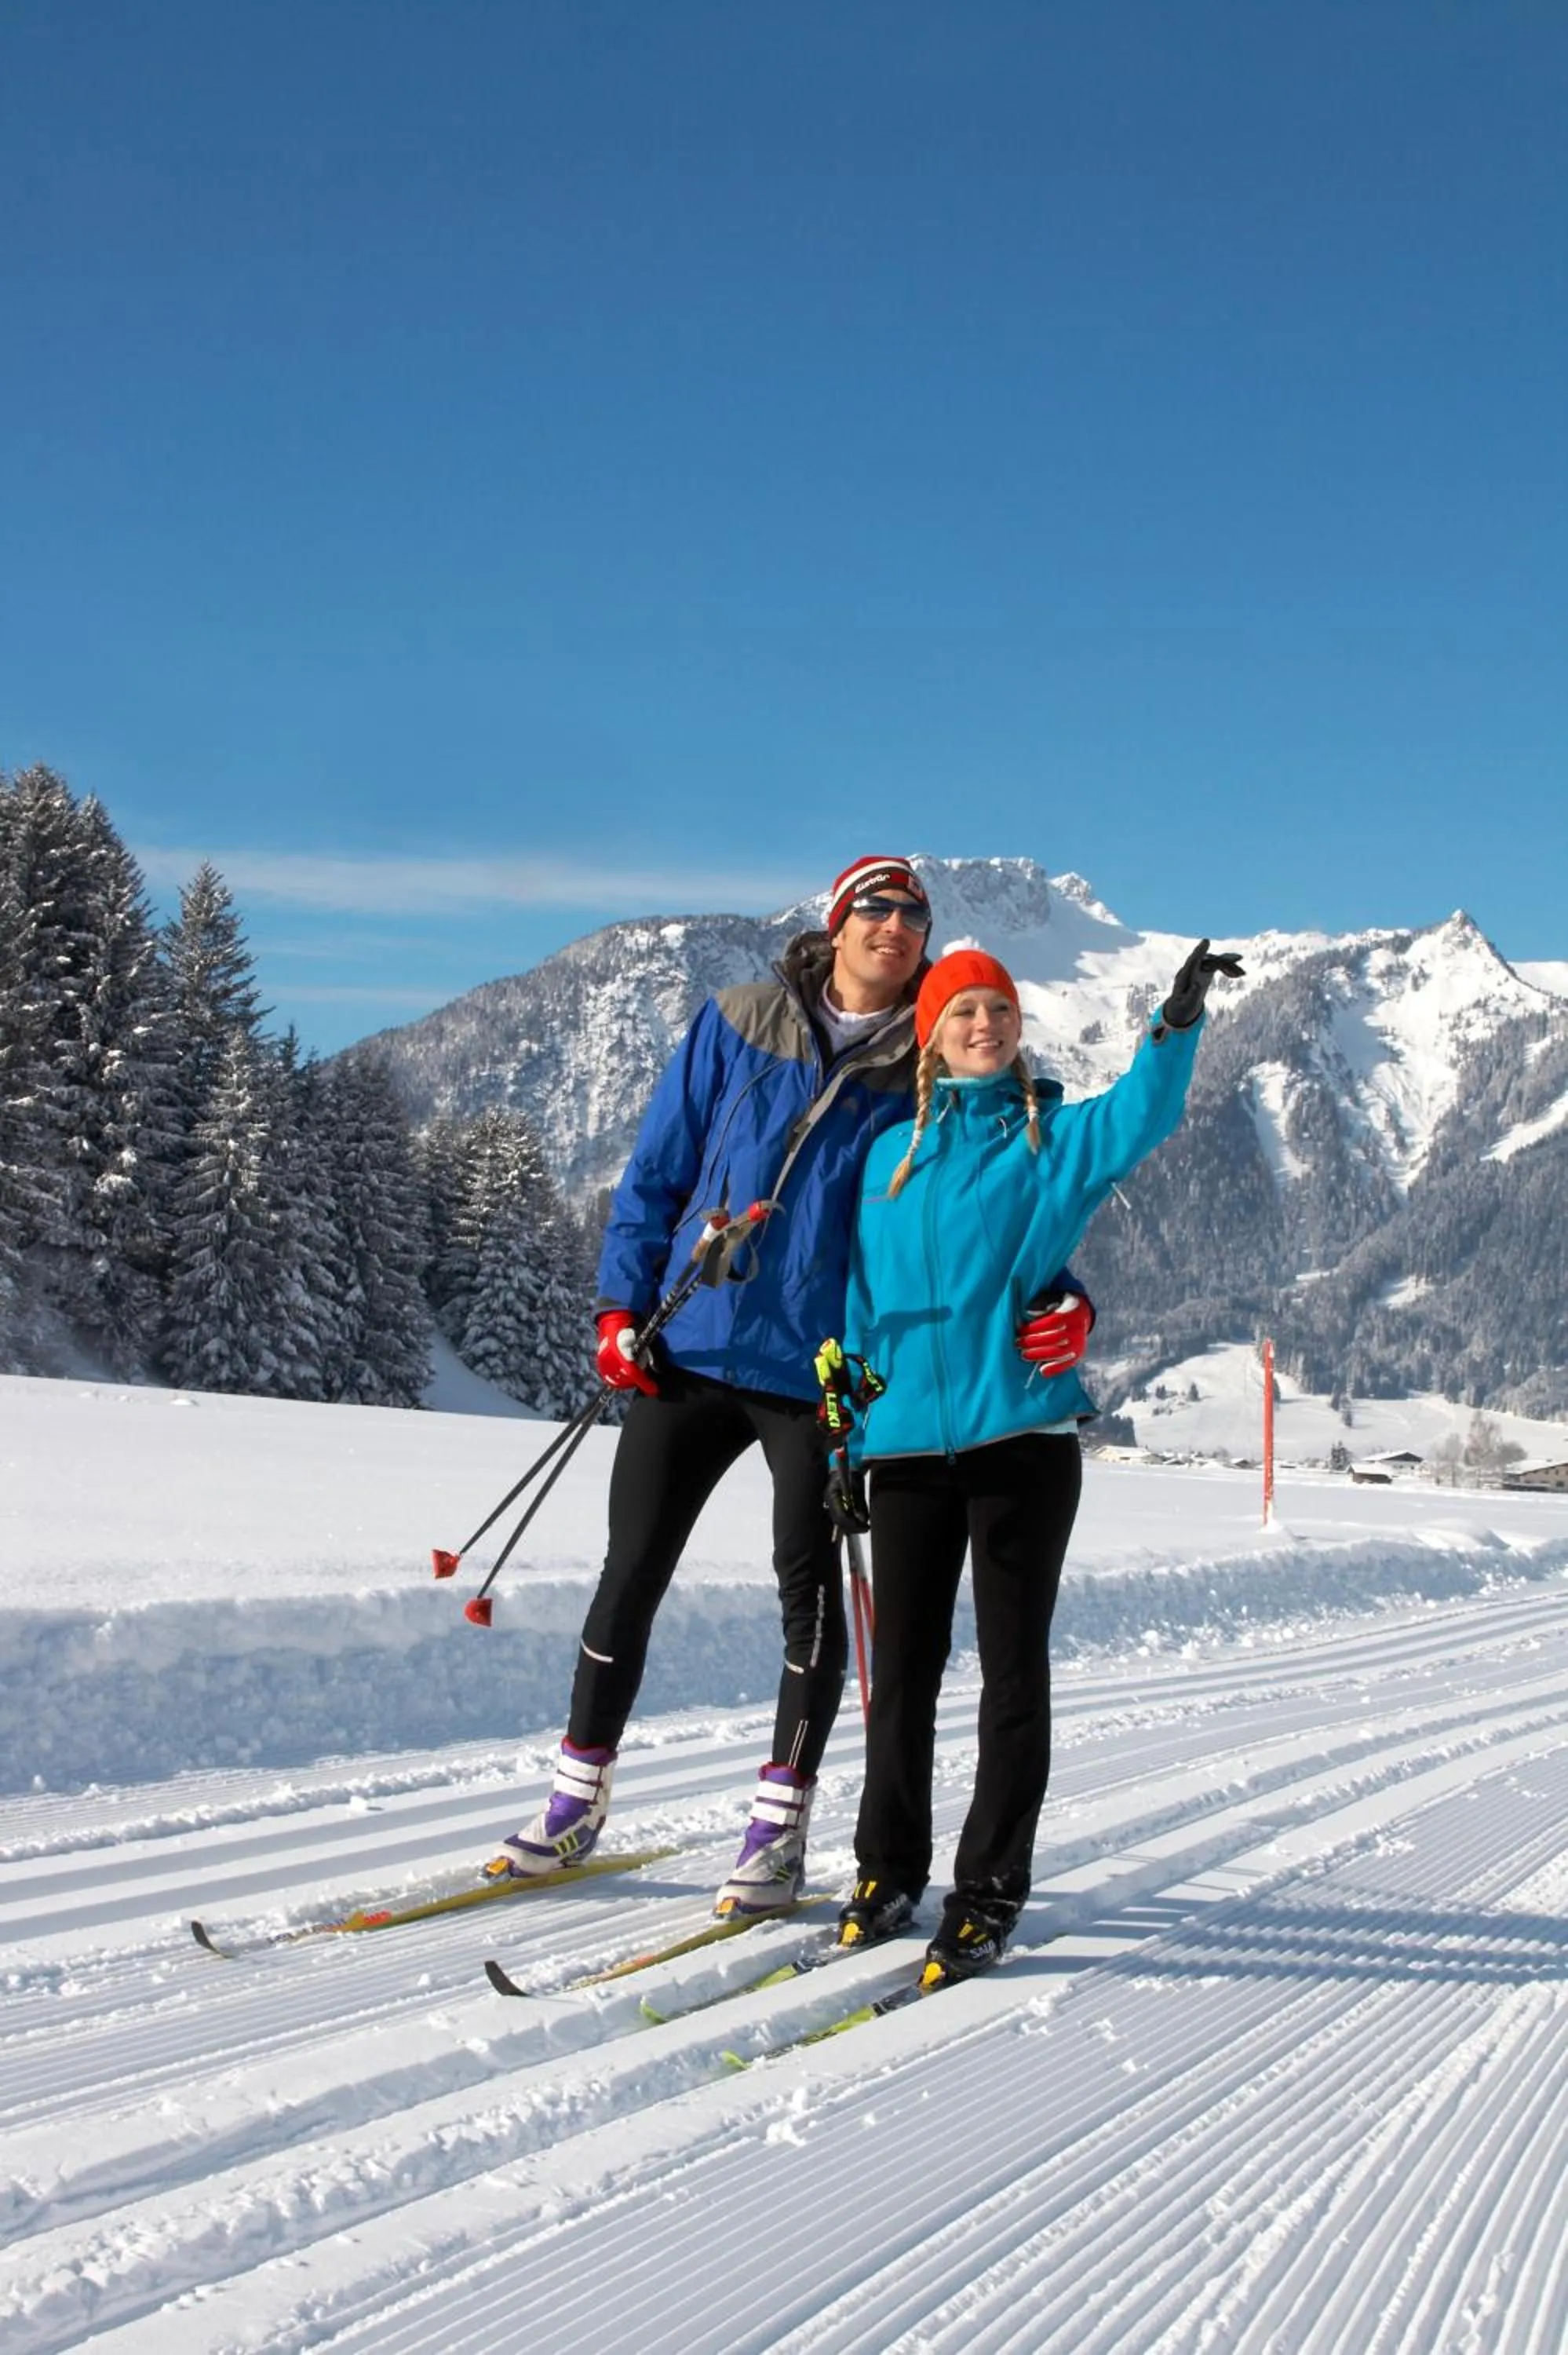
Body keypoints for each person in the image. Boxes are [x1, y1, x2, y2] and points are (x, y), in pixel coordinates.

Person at [483, 858, 1092, 1915]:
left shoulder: (930, 1052)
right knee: (630, 1571)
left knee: (808, 1602)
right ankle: (574, 1801)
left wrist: (1065, 1294)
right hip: (690, 1341)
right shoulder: (739, 1020)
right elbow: (656, 1172)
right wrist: (620, 1309)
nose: (895, 927)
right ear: (837, 920)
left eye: (913, 915)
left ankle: (777, 1831)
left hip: (815, 1376)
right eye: (877, 908)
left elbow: (994, 1201)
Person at [833, 937, 1241, 1981]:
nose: (984, 1026)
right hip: (908, 1453)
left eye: (999, 1013)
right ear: (930, 1032)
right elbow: (864, 1314)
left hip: (1022, 1441)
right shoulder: (886, 1159)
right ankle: (886, 1873)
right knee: (901, 1679)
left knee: (1010, 1678)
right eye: (963, 1012)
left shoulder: (1048, 1139)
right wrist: (847, 1435)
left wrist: (1175, 1023)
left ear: (1017, 1032)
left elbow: (1140, 1114)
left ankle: (986, 1894)